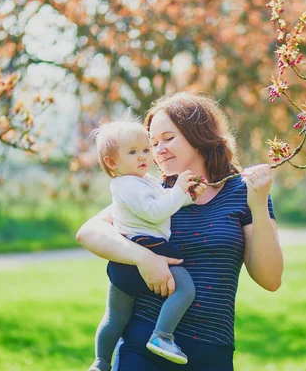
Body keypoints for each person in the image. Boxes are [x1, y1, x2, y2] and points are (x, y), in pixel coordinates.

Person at [77, 92, 284, 371]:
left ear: (198, 136)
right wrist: (144, 258)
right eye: (152, 143)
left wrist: (258, 206)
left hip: (212, 351)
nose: (157, 149)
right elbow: (89, 231)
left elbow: (270, 279)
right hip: (142, 347)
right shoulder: (154, 193)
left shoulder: (243, 192)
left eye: (168, 138)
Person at [88, 119, 207, 371]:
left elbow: (165, 204)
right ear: (112, 162)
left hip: (126, 258)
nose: (143, 156)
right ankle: (162, 336)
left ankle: (101, 362)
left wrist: (187, 196)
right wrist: (178, 189)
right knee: (184, 289)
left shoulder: (143, 181)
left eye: (145, 149)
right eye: (132, 152)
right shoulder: (127, 185)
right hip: (147, 247)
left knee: (117, 315)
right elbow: (155, 212)